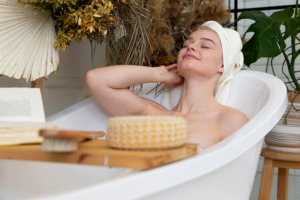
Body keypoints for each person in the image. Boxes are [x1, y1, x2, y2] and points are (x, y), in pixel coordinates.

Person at [84, 21, 249, 149]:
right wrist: (158, 74)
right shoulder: (153, 114)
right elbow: (95, 79)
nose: (190, 46)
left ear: (223, 65)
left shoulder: (230, 120)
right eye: (186, 45)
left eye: (205, 46)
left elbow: (232, 180)